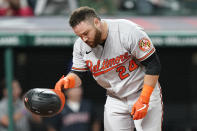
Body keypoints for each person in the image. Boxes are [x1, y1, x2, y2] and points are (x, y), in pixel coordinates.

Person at [54, 6, 163, 131]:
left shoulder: (127, 31)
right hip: (114, 97)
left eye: (85, 33)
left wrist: (144, 99)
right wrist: (68, 80)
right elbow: (78, 74)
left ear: (96, 22)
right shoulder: (80, 46)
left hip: (142, 91)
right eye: (79, 35)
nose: (83, 39)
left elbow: (153, 65)